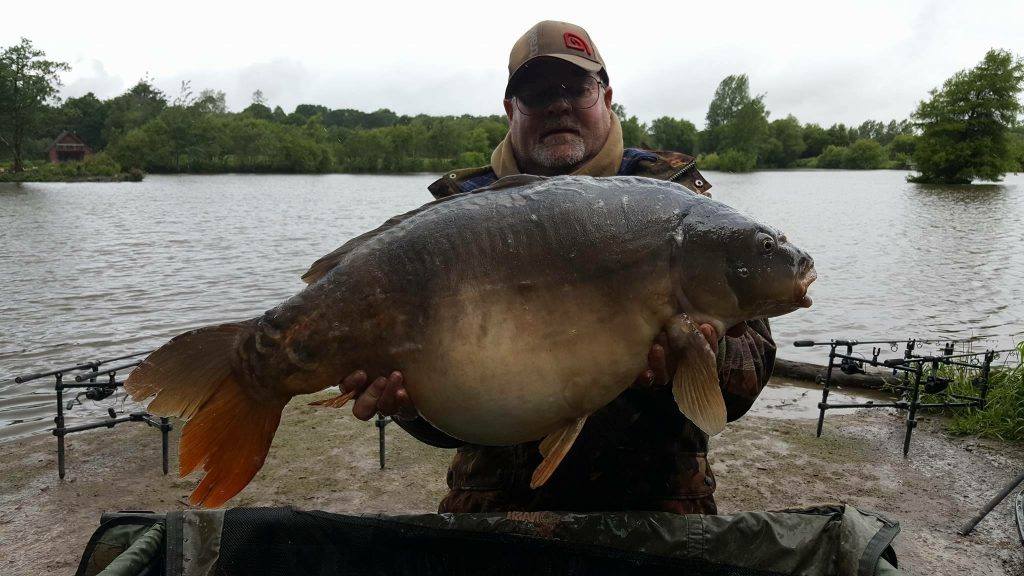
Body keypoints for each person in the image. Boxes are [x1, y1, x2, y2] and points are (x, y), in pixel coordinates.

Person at [339, 20, 775, 515]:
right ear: (510, 111)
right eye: (538, 93)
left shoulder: (676, 207)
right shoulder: (457, 222)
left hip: (657, 515)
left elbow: (748, 378)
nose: (559, 104)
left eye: (577, 88)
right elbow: (443, 421)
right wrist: (411, 407)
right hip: (496, 515)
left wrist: (695, 357)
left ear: (607, 97)